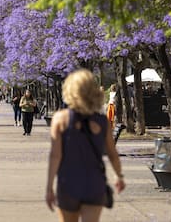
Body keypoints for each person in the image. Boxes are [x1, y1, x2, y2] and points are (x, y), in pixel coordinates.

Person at [46, 69, 125, 222]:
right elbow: (112, 153)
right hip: (94, 183)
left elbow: (55, 156)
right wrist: (119, 176)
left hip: (68, 183)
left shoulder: (60, 119)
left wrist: (49, 187)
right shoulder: (102, 121)